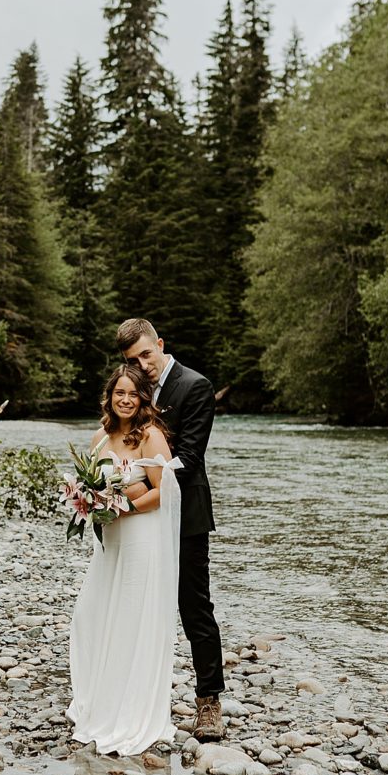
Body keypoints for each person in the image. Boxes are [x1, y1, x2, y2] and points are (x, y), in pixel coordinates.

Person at [116, 316, 225, 742]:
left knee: (194, 607)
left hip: (186, 514)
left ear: (159, 343)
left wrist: (135, 475)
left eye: (146, 353)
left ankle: (209, 702)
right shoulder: (131, 390)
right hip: (141, 518)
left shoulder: (194, 386)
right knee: (135, 605)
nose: (142, 365)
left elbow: (190, 457)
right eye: (132, 359)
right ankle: (132, 700)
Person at [66, 364, 182, 757]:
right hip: (110, 539)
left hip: (140, 536)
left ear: (143, 398)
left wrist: (123, 506)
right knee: (94, 615)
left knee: (132, 618)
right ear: (110, 396)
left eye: (133, 394)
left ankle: (130, 710)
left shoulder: (150, 436)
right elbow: (88, 483)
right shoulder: (101, 436)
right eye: (120, 393)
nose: (126, 400)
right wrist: (90, 502)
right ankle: (99, 697)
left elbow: (165, 490)